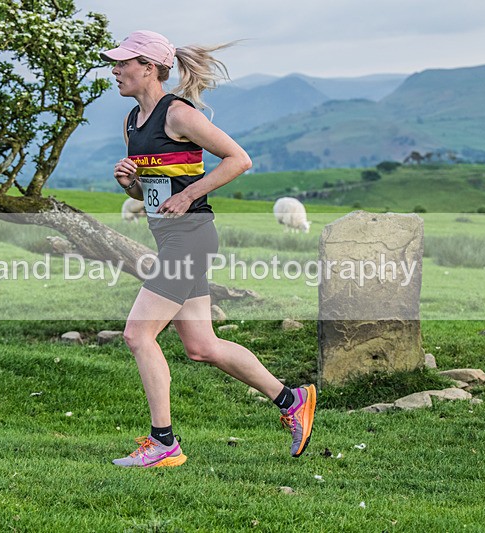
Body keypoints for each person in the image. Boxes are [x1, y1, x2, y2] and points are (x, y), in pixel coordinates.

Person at [101, 30, 316, 468]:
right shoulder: (131, 122)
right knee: (202, 346)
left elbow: (239, 159)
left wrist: (189, 195)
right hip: (172, 237)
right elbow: (154, 193)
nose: (116, 69)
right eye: (116, 62)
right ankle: (291, 399)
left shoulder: (178, 114)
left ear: (150, 68)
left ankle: (164, 444)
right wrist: (131, 184)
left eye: (125, 62)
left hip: (191, 237)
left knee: (137, 334)